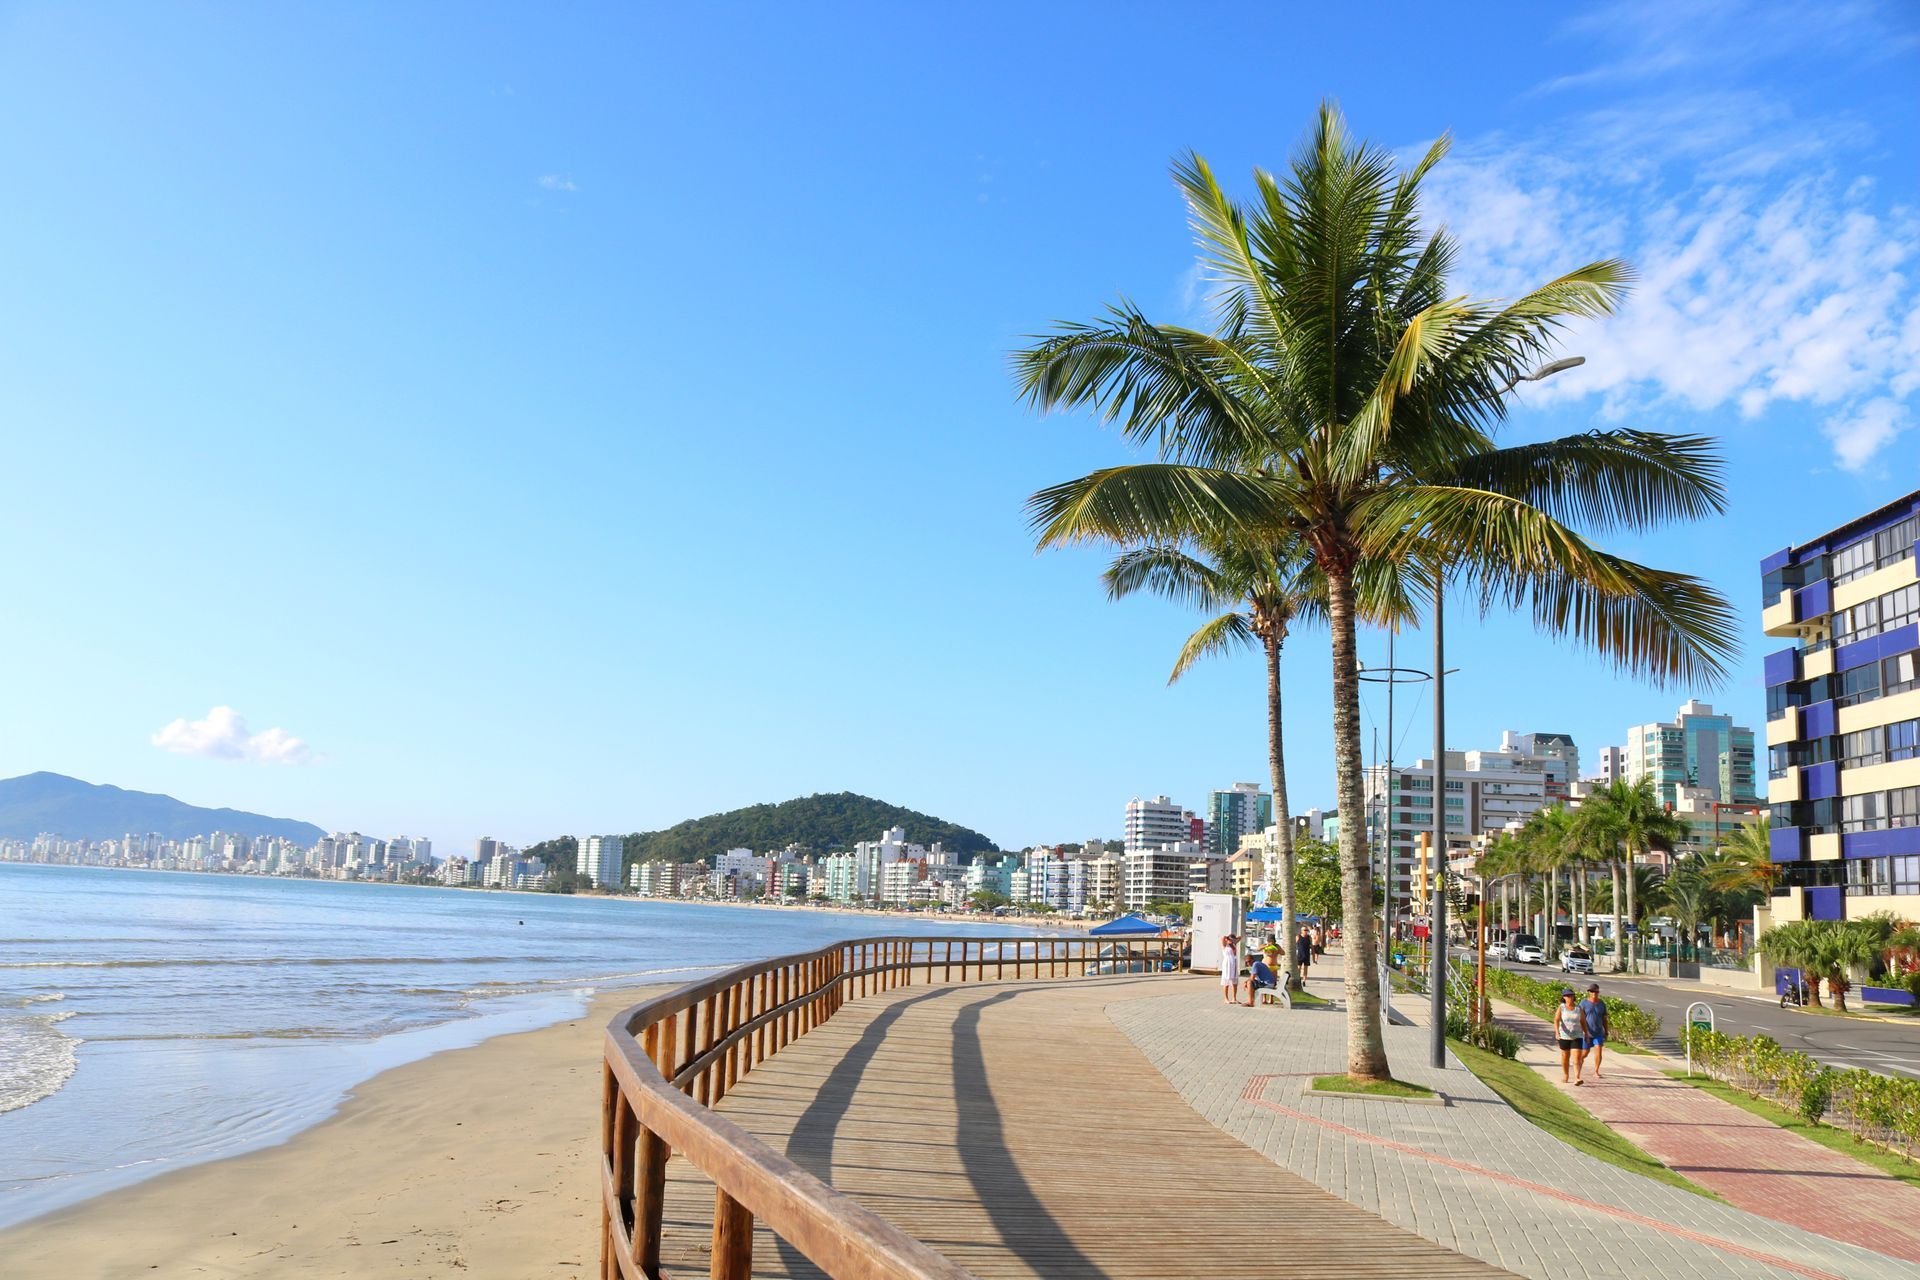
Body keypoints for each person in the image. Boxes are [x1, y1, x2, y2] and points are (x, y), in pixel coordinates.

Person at [1553, 988, 1586, 1084]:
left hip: (1577, 1036)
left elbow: (1583, 1022)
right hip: (1564, 1036)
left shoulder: (1579, 1008)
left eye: (1571, 995)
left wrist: (1586, 1034)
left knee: (1577, 1058)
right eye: (1567, 996)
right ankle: (1566, 1075)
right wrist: (1557, 1032)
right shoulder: (1561, 1007)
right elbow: (1556, 1020)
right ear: (1564, 997)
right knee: (1565, 1057)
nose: (1570, 997)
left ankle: (1577, 1078)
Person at [1580, 983, 1610, 1079]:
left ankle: (1596, 1071)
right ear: (1589, 992)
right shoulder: (1584, 1003)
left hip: (1598, 1033)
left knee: (1598, 1049)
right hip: (1587, 1033)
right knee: (1585, 1053)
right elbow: (1579, 1017)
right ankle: (1578, 1062)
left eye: (1596, 991)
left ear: (1598, 992)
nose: (1594, 993)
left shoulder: (1602, 1004)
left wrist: (1606, 1031)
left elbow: (1604, 1019)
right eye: (1592, 991)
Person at [1219, 935, 1239, 1004]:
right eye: (1230, 939)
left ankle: (1234, 998)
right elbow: (1222, 938)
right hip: (1227, 963)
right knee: (1226, 981)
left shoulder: (1233, 944)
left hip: (1234, 963)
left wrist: (1233, 939)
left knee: (1235, 981)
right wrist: (1227, 938)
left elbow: (1240, 937)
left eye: (1233, 939)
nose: (1232, 940)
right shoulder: (1225, 945)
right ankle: (1226, 998)